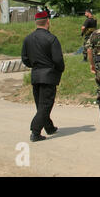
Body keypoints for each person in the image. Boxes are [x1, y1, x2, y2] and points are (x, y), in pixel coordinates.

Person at [21, 11, 65, 142]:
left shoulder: (28, 38)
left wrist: (35, 66)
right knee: (45, 105)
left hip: (35, 74)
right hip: (48, 75)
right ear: (48, 21)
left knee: (40, 104)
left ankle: (49, 127)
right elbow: (58, 59)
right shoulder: (51, 39)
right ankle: (35, 131)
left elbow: (25, 58)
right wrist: (59, 69)